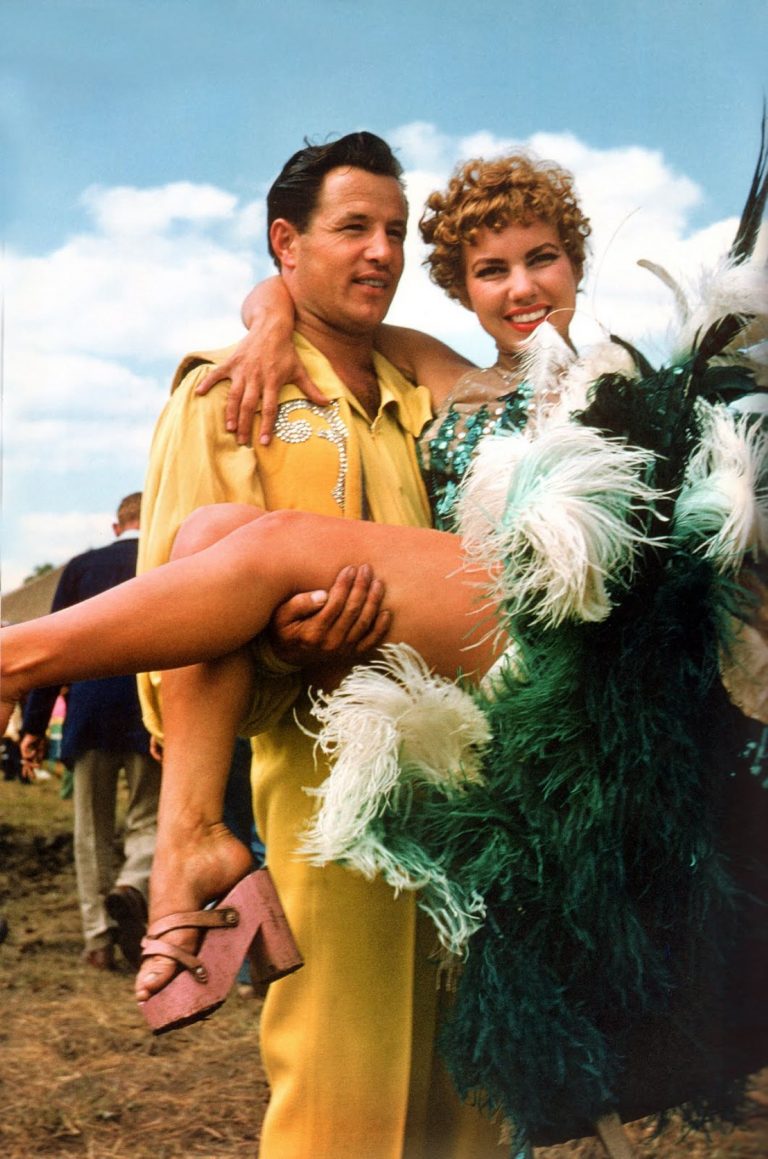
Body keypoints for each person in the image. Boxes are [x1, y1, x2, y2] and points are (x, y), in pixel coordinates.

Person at [1, 141, 765, 1156]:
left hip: (577, 661)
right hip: (422, 691)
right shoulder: (446, 376)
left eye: (542, 258)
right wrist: (268, 322)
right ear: (463, 289)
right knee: (212, 534)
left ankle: (18, 659)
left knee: (275, 545)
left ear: (579, 262)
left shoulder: (627, 380)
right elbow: (289, 296)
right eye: (490, 270)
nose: (521, 286)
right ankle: (194, 833)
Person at [19, 493, 162, 971]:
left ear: (116, 526)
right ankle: (133, 886)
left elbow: (52, 646)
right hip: (147, 712)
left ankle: (98, 939)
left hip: (89, 712)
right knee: (149, 819)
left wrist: (34, 725)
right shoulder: (164, 560)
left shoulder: (81, 568)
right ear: (152, 519)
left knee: (90, 830)